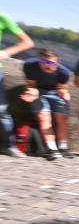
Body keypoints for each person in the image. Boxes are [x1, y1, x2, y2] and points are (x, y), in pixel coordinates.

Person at [20, 48, 73, 160]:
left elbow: (62, 88)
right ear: (40, 60)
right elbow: (31, 84)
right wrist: (31, 92)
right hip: (39, 91)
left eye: (52, 63)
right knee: (44, 119)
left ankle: (63, 148)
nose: (48, 65)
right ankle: (52, 149)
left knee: (61, 119)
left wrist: (65, 94)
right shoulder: (30, 65)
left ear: (57, 62)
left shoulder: (63, 72)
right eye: (44, 62)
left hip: (55, 91)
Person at [0, 12, 34, 157]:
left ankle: (8, 145)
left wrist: (6, 52)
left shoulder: (2, 17)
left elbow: (27, 42)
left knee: (1, 110)